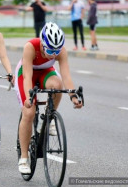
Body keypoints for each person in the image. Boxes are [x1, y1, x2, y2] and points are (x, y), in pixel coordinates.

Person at [14, 22, 83, 174]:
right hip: (26, 74)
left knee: (57, 85)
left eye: (56, 50)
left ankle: (49, 117)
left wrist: (73, 97)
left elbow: (66, 76)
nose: (53, 54)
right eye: (50, 50)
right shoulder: (30, 47)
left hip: (45, 72)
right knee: (29, 113)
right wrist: (28, 97)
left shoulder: (61, 51)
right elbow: (27, 76)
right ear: (43, 43)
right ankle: (24, 158)